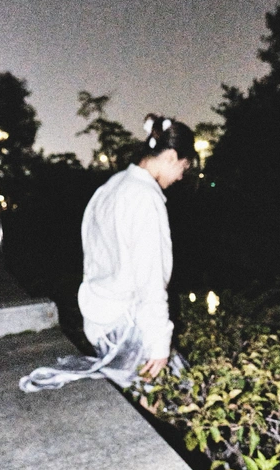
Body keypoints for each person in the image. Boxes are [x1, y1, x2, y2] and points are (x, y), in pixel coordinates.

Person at [19, 113, 196, 397]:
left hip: (100, 318)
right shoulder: (145, 197)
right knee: (171, 397)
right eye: (183, 168)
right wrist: (159, 343)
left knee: (155, 394)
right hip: (125, 323)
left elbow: (92, 252)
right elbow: (150, 278)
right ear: (172, 156)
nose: (180, 177)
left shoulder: (112, 186)